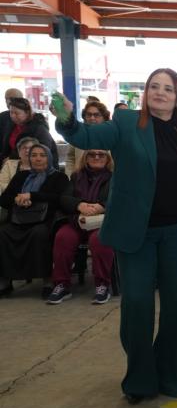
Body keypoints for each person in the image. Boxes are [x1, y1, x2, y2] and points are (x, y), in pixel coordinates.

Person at [52, 68, 177, 404]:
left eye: (168, 88)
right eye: (154, 86)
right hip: (136, 232)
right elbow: (86, 136)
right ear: (146, 92)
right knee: (138, 305)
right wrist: (67, 118)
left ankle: (171, 375)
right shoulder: (126, 123)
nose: (160, 92)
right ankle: (140, 378)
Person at [0, 142, 69, 298]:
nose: (38, 159)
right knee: (3, 233)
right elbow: (4, 199)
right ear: (29, 158)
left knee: (39, 234)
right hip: (19, 220)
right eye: (34, 155)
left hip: (45, 221)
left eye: (42, 155)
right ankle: (5, 281)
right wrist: (17, 199)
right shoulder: (21, 176)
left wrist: (32, 196)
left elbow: (59, 199)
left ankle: (47, 281)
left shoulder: (59, 177)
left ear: (49, 158)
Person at [49, 149, 114, 304]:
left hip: (102, 222)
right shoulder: (76, 176)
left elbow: (121, 199)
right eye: (92, 154)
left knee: (100, 239)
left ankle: (102, 285)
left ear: (108, 158)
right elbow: (64, 198)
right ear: (85, 158)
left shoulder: (115, 178)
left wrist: (102, 206)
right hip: (77, 220)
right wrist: (79, 205)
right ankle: (61, 284)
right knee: (63, 237)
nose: (96, 157)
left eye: (101, 154)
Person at [1, 97, 58, 165]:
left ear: (27, 113)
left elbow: (43, 150)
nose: (13, 116)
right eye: (11, 112)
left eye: (17, 113)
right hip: (13, 164)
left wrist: (12, 158)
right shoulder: (11, 125)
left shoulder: (39, 128)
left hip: (39, 165)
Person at [65, 101, 111, 176]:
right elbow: (71, 157)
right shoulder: (77, 135)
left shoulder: (110, 136)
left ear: (104, 117)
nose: (92, 118)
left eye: (96, 115)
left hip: (106, 180)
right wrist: (69, 176)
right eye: (89, 115)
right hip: (80, 180)